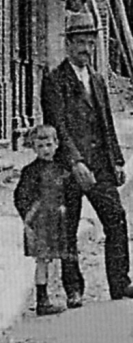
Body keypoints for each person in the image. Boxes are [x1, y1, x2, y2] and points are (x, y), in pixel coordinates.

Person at [40, 10, 133, 306]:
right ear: (69, 44)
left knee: (116, 219)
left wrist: (117, 160)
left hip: (100, 166)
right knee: (68, 228)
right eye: (80, 42)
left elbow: (107, 123)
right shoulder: (55, 81)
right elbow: (58, 126)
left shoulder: (98, 80)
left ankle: (120, 283)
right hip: (69, 168)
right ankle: (73, 289)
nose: (86, 49)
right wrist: (76, 162)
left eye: (90, 43)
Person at [14, 124, 74, 317]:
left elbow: (69, 192)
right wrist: (29, 217)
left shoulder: (60, 169)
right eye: (40, 147)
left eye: (49, 145)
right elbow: (20, 197)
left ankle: (61, 291)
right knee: (42, 260)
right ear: (33, 148)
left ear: (56, 144)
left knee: (55, 257)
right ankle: (42, 300)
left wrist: (65, 208)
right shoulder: (30, 171)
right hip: (40, 222)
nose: (45, 150)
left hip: (56, 220)